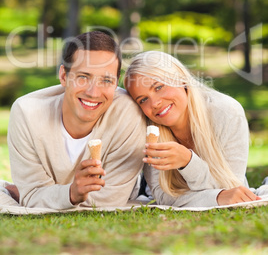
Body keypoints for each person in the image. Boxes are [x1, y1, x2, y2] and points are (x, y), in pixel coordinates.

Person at [6, 31, 146, 210]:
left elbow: (110, 200)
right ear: (64, 76)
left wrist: (49, 196)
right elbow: (32, 196)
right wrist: (70, 193)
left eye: (106, 80)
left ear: (116, 82)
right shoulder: (27, 114)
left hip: (140, 188)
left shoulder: (128, 112)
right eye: (83, 77)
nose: (93, 92)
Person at [124, 50, 268, 207]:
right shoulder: (149, 128)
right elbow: (163, 197)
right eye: (143, 99)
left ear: (181, 79)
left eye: (158, 87)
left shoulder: (227, 113)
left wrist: (188, 162)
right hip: (147, 188)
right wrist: (217, 197)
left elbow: (233, 190)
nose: (155, 103)